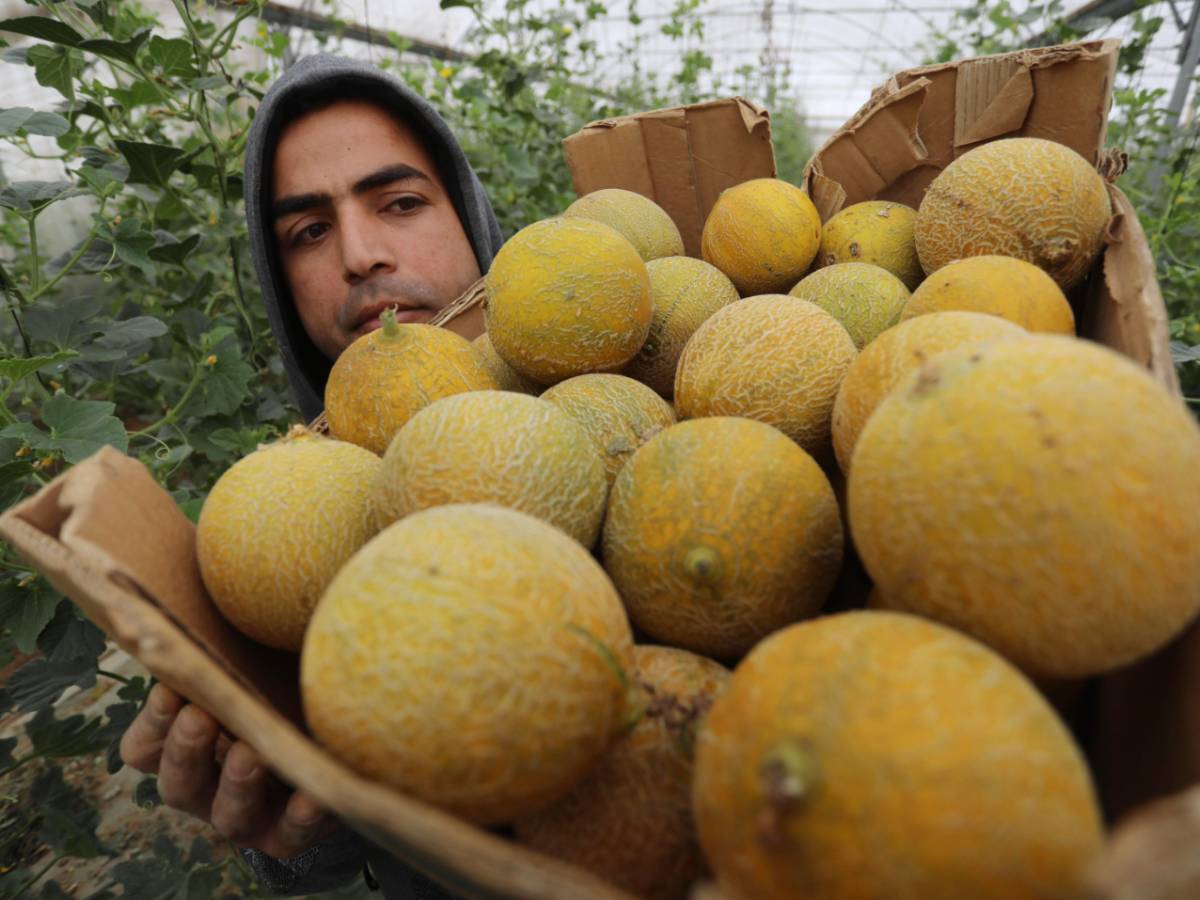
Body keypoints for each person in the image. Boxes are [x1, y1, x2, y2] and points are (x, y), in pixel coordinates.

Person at [119, 53, 505, 898]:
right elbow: (321, 840)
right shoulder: (276, 521)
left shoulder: (612, 362)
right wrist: (295, 824)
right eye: (308, 232)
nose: (361, 255)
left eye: (400, 202)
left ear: (471, 216)